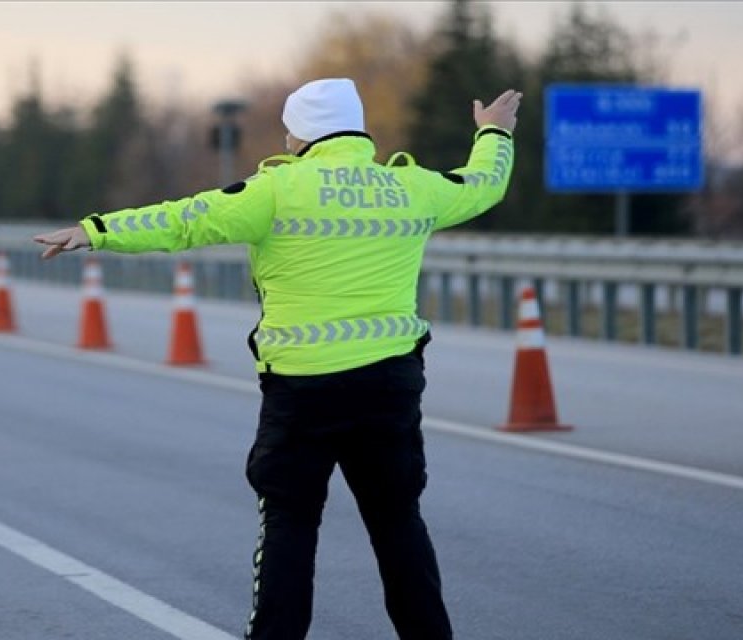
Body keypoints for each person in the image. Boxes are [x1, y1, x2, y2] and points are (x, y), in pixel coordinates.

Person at [34, 78, 521, 640]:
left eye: (290, 129)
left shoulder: (276, 190)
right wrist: (493, 134)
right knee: (396, 523)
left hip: (303, 390)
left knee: (291, 523)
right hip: (389, 384)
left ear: (302, 134)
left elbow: (185, 219)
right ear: (356, 127)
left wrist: (95, 232)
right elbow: (481, 185)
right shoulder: (409, 186)